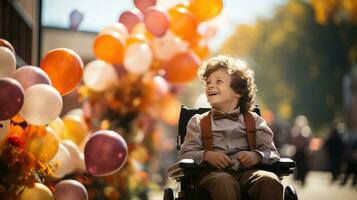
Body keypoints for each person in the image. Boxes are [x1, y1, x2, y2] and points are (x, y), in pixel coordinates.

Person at [178, 55, 283, 200]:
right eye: (208, 82)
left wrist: (256, 156)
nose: (210, 85)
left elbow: (271, 152)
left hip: (247, 174)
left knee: (268, 180)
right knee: (224, 181)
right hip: (212, 176)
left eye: (218, 81)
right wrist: (207, 155)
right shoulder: (198, 122)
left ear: (238, 91)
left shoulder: (254, 121)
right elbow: (185, 154)